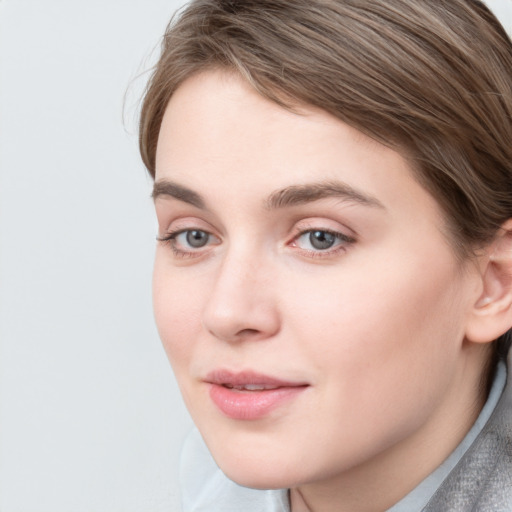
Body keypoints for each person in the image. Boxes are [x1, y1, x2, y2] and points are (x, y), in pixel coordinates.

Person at [139, 1, 512, 510]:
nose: (226, 314)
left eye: (320, 238)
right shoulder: (211, 482)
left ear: (495, 283)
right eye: (194, 236)